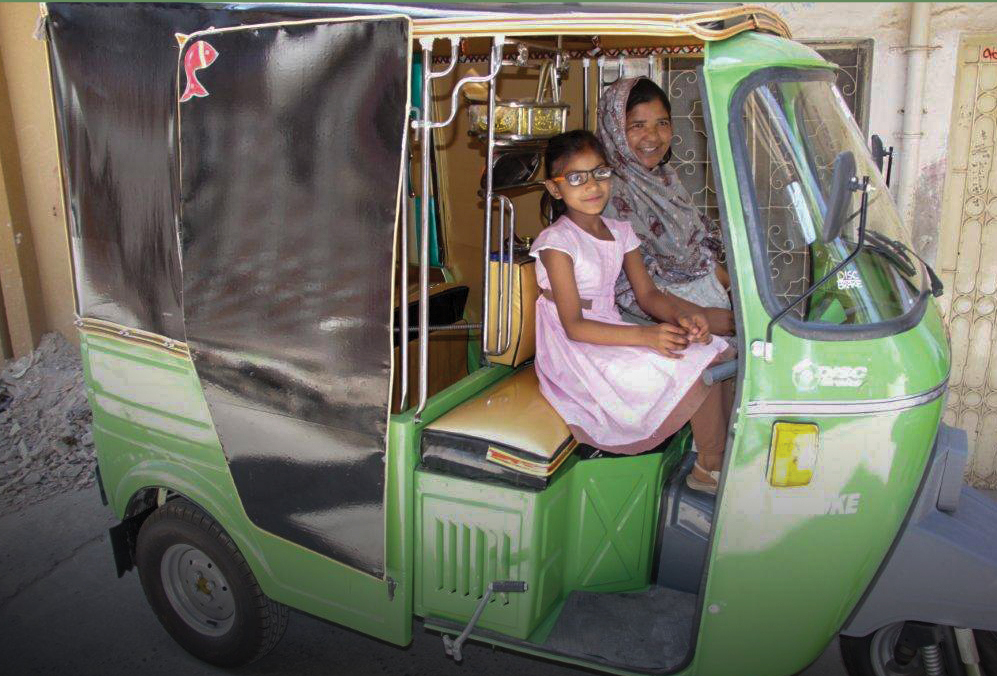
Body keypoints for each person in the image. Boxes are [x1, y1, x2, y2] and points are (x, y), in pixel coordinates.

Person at [530, 130, 733, 493]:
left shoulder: (621, 232)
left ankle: (719, 455)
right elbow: (574, 326)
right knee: (691, 364)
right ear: (555, 188)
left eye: (600, 173)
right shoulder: (556, 242)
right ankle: (709, 469)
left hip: (608, 327)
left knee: (709, 349)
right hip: (574, 348)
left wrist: (683, 318)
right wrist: (646, 336)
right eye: (576, 178)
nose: (592, 186)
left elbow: (649, 297)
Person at [597, 77, 734, 337]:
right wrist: (701, 318)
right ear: (614, 129)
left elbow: (698, 252)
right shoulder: (607, 193)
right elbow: (630, 289)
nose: (653, 136)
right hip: (661, 324)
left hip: (707, 311)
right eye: (637, 125)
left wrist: (739, 295)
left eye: (662, 123)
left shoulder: (664, 177)